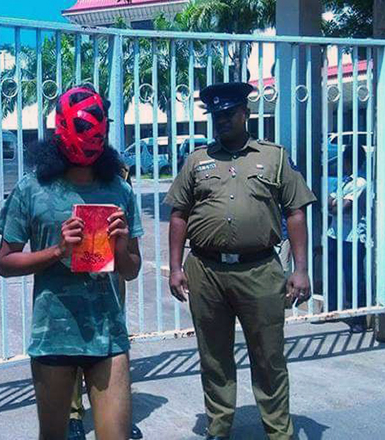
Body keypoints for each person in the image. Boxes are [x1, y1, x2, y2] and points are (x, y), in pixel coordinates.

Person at [166, 82, 317, 440]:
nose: (222, 120)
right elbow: (179, 214)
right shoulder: (196, 160)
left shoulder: (274, 157)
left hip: (259, 270)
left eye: (229, 113)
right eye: (216, 115)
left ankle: (278, 432)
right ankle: (218, 429)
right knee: (214, 357)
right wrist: (175, 267)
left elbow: (295, 212)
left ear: (245, 114)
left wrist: (301, 269)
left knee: (269, 356)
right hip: (206, 270)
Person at [0, 84, 143, 440]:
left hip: (107, 337)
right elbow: (5, 262)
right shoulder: (32, 189)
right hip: (53, 337)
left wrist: (121, 246)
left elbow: (132, 269)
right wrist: (57, 251)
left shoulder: (120, 190)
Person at [67, 162, 144, 440]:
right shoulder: (57, 170)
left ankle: (116, 414)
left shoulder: (118, 171)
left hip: (109, 270)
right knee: (71, 339)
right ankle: (72, 415)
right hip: (70, 272)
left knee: (111, 342)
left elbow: (128, 220)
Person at [327, 145, 369, 332]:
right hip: (335, 234)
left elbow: (341, 208)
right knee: (333, 274)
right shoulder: (344, 181)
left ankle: (358, 318)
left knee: (354, 278)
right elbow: (329, 204)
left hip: (353, 238)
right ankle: (332, 311)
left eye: (343, 160)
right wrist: (334, 204)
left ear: (349, 161)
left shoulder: (360, 182)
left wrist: (334, 204)